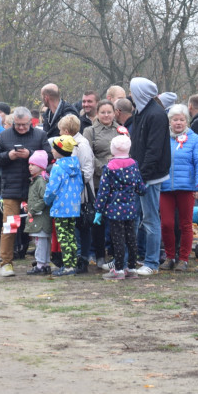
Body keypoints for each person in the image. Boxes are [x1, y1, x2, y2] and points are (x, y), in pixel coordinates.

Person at [0, 107, 47, 277]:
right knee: (9, 227)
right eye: (18, 124)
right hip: (11, 190)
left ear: (31, 122)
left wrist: (31, 154)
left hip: (35, 189)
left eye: (24, 125)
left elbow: (49, 156)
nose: (21, 128)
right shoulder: (3, 136)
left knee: (40, 225)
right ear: (13, 122)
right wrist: (9, 156)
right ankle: (6, 262)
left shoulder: (40, 136)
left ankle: (42, 261)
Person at [129, 77, 170, 276]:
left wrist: (142, 176)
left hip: (149, 177)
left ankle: (152, 262)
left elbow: (154, 149)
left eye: (132, 90)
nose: (129, 94)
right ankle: (131, 258)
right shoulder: (140, 111)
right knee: (133, 217)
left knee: (150, 218)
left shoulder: (157, 115)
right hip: (139, 174)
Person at [94, 135, 145, 280]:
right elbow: (140, 187)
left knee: (118, 239)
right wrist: (140, 190)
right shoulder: (133, 165)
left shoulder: (109, 167)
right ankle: (132, 268)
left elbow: (104, 190)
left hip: (114, 209)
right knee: (131, 238)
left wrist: (99, 209)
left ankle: (118, 269)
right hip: (130, 208)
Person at [161, 104, 198, 271]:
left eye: (181, 119)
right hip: (165, 187)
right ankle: (170, 256)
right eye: (175, 119)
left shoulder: (194, 139)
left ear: (187, 121)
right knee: (166, 224)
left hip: (187, 188)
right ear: (170, 121)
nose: (178, 123)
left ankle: (184, 258)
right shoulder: (164, 137)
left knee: (185, 224)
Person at [83, 99, 121, 268]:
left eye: (109, 112)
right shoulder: (89, 131)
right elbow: (88, 155)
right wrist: (104, 170)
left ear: (115, 113)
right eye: (103, 112)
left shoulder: (121, 130)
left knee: (116, 220)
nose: (106, 115)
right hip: (99, 181)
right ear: (97, 113)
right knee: (98, 221)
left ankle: (116, 254)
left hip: (118, 182)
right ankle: (99, 255)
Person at [58, 114, 95, 274]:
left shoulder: (82, 144)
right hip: (70, 194)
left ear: (66, 130)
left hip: (80, 194)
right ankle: (76, 258)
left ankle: (82, 258)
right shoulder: (71, 143)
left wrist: (70, 181)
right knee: (75, 227)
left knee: (82, 227)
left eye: (60, 130)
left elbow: (87, 171)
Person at [44, 135, 83, 277]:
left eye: (54, 149)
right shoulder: (76, 164)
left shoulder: (57, 167)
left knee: (63, 237)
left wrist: (47, 200)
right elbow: (80, 185)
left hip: (60, 208)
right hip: (73, 206)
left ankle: (68, 266)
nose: (52, 151)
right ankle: (73, 263)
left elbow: (52, 188)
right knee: (71, 235)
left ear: (59, 150)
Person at [23, 150, 52, 275]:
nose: (30, 167)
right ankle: (44, 263)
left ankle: (40, 264)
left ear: (40, 166)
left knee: (40, 241)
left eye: (33, 165)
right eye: (29, 164)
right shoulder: (37, 181)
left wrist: (33, 210)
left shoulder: (40, 181)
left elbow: (43, 199)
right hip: (39, 215)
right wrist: (29, 207)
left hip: (40, 217)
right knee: (43, 240)